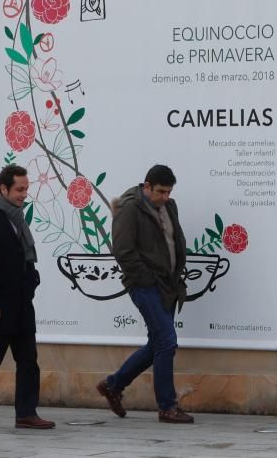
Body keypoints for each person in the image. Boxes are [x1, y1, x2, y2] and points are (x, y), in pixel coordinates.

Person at [95, 164, 193, 423]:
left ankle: (113, 385)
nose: (165, 197)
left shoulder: (169, 206)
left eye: (169, 192)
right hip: (146, 286)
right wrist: (147, 280)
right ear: (146, 186)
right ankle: (167, 406)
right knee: (167, 341)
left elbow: (174, 241)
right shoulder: (129, 209)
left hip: (168, 285)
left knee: (158, 344)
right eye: (160, 191)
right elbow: (123, 251)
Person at [0, 164, 54, 430]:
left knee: (29, 361)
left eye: (26, 189)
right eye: (19, 189)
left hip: (22, 305)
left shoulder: (18, 219)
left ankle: (26, 413)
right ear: (3, 189)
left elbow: (24, 260)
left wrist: (31, 283)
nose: (24, 194)